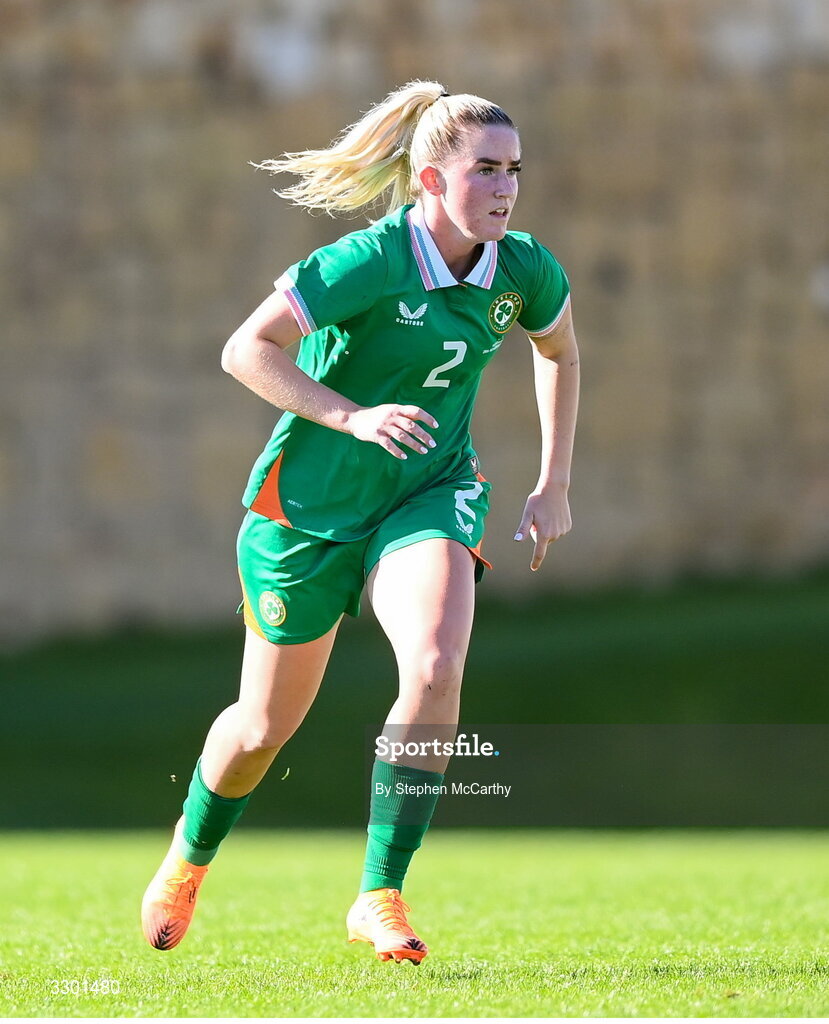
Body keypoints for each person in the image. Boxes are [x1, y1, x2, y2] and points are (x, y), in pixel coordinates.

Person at [141, 79, 579, 963]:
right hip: (308, 509)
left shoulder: (524, 268)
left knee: (433, 663)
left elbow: (561, 351)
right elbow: (245, 349)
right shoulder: (370, 261)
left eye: (514, 170)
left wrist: (552, 481)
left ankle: (379, 892)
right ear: (427, 180)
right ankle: (187, 860)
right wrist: (348, 415)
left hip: (429, 493)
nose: (504, 187)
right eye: (484, 169)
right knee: (263, 729)